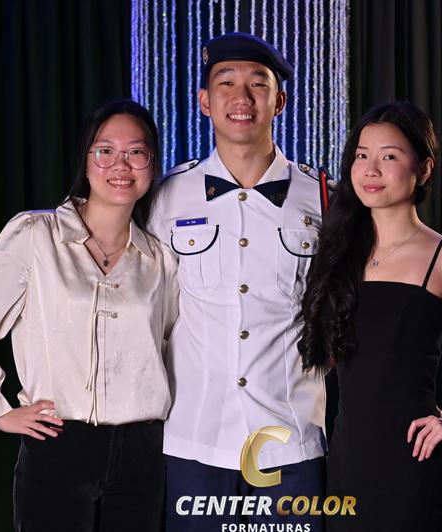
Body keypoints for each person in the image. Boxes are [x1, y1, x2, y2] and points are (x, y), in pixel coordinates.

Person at [0, 99, 177, 531]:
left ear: (152, 165)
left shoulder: (159, 259)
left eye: (136, 152)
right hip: (59, 444)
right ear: (86, 160)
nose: (121, 165)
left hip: (144, 452)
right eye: (105, 151)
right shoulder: (35, 235)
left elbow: (175, 348)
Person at [299, 101, 442, 531]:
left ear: (423, 170)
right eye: (362, 155)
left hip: (411, 458)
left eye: (389, 156)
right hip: (346, 455)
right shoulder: (341, 252)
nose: (371, 169)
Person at [148, 32, 326, 530]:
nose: (241, 97)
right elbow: (150, 312)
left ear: (279, 102)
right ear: (204, 102)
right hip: (195, 442)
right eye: (225, 83)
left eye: (258, 84)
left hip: (292, 442)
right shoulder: (167, 196)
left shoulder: (323, 198)